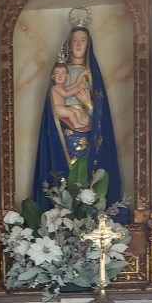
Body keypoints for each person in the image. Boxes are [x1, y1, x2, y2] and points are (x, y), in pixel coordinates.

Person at [32, 26, 122, 211]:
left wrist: (88, 104)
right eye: (75, 40)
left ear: (88, 44)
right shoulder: (60, 71)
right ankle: (63, 211)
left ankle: (86, 211)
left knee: (87, 171)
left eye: (83, 40)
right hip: (63, 129)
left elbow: (100, 114)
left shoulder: (92, 74)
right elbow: (53, 105)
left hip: (87, 129)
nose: (79, 44)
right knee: (62, 171)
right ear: (69, 44)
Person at [49, 62, 92, 131]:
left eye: (63, 73)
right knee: (70, 113)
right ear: (53, 76)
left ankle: (80, 121)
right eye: (57, 73)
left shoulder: (63, 87)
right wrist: (77, 89)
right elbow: (66, 94)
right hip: (57, 108)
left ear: (67, 76)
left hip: (62, 107)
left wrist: (82, 74)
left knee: (76, 111)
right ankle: (76, 124)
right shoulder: (55, 88)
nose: (60, 76)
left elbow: (76, 84)